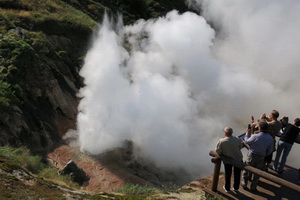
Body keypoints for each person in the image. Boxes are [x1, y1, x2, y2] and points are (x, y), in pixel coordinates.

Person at [242, 121, 273, 191]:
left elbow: (246, 141)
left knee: (247, 169)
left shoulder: (256, 136)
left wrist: (247, 133)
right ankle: (253, 187)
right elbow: (270, 150)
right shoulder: (270, 138)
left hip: (252, 155)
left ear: (260, 128)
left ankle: (244, 183)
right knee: (257, 173)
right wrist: (264, 154)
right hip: (261, 157)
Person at [215, 126, 243, 193]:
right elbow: (241, 146)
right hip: (238, 159)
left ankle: (227, 188)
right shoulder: (237, 139)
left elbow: (218, 151)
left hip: (228, 160)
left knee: (228, 174)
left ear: (225, 133)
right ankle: (236, 188)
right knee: (237, 174)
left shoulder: (221, 141)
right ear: (232, 133)